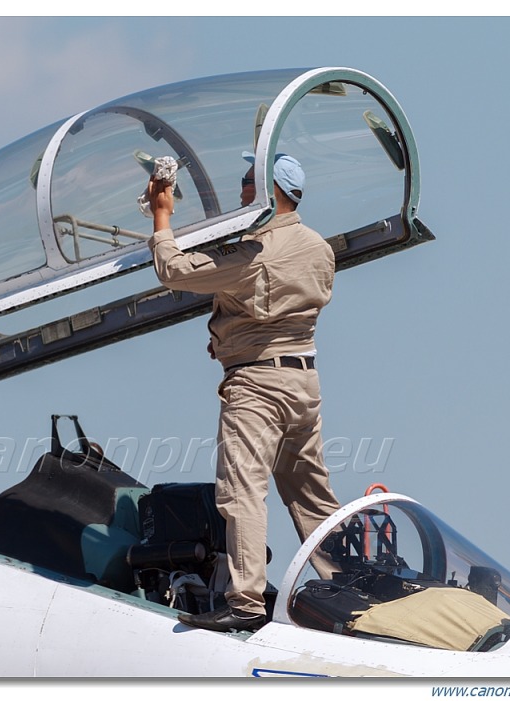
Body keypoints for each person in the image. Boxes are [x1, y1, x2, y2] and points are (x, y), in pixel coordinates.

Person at [146, 152, 341, 633]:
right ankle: (354, 583)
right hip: (303, 382)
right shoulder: (320, 248)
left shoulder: (254, 255)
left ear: (271, 191)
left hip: (257, 385)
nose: (240, 192)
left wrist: (161, 216)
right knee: (312, 497)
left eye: (247, 183)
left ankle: (246, 601)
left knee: (242, 492)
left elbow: (174, 271)